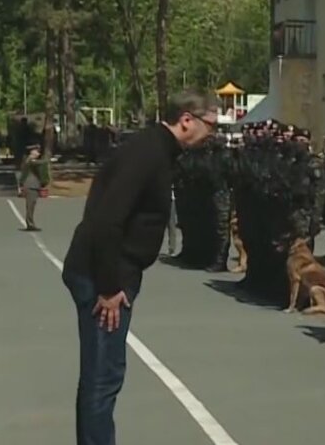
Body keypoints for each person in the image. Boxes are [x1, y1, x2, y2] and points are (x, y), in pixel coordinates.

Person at [61, 90, 217, 445]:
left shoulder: (156, 150)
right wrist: (109, 287)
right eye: (210, 125)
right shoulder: (147, 153)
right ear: (187, 120)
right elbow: (106, 220)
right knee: (103, 378)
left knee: (102, 377)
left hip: (111, 270)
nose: (212, 134)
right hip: (104, 275)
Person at [18, 144, 49, 231]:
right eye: (36, 151)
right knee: (30, 206)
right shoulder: (30, 160)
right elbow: (39, 163)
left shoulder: (31, 160)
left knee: (32, 205)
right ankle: (30, 224)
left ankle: (30, 223)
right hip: (31, 185)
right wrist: (46, 160)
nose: (38, 153)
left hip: (34, 186)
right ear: (32, 152)